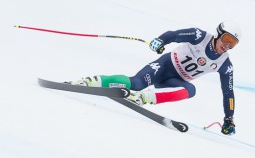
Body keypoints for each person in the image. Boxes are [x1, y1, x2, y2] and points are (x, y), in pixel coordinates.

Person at [68, 21, 241, 135]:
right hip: (164, 66)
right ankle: (91, 81)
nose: (226, 45)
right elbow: (173, 35)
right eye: (226, 39)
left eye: (232, 44)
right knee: (135, 83)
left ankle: (142, 99)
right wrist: (160, 41)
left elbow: (228, 93)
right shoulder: (200, 36)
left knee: (191, 90)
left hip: (174, 82)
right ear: (218, 34)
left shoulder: (225, 64)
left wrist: (229, 118)